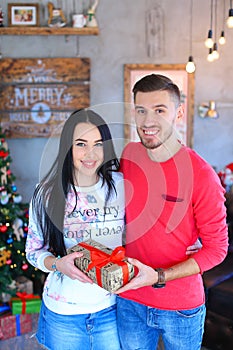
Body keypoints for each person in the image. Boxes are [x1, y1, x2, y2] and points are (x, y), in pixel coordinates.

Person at [115, 74, 228, 350]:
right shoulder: (129, 156)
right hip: (129, 299)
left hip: (181, 307)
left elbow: (217, 249)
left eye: (159, 110)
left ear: (178, 113)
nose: (148, 121)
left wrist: (160, 277)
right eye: (141, 111)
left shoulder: (201, 175)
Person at [25, 109, 125, 350]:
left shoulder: (122, 186)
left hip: (112, 309)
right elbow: (33, 251)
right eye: (81, 144)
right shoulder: (46, 194)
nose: (90, 153)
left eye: (98, 144)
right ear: (67, 147)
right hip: (63, 315)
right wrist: (58, 264)